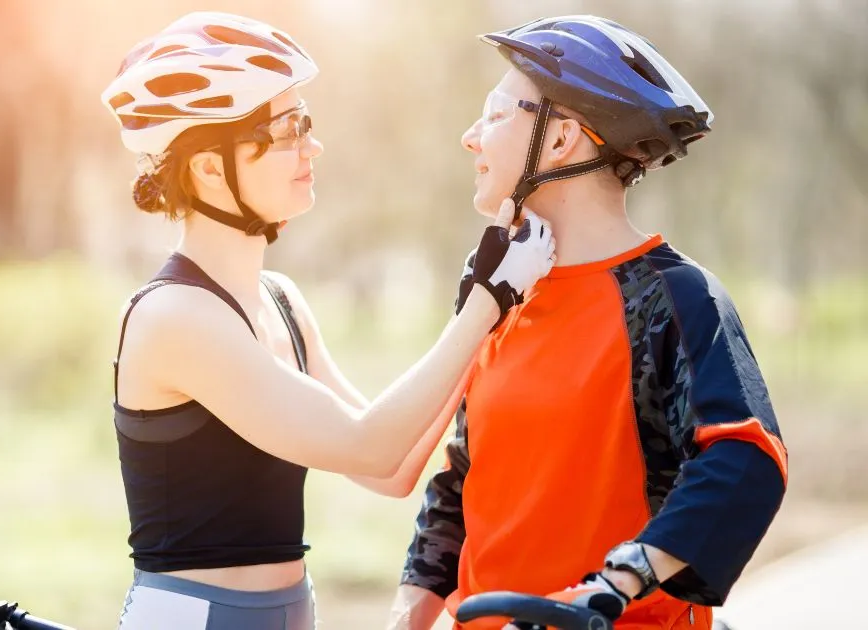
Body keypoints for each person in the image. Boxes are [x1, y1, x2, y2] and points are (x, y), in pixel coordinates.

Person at [100, 12, 557, 630]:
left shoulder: (282, 301)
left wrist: (483, 309)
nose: (311, 145)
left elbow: (392, 470)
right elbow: (368, 444)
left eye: (306, 122)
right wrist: (485, 302)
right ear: (209, 169)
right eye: (286, 129)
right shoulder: (173, 316)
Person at [384, 15, 788, 630]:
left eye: (494, 116)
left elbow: (747, 461)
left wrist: (614, 586)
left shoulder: (673, 296)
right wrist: (409, 610)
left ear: (560, 139)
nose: (470, 137)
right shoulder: (502, 294)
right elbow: (462, 476)